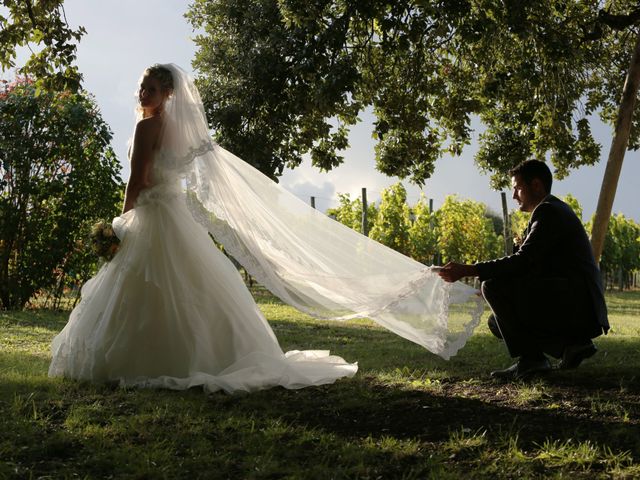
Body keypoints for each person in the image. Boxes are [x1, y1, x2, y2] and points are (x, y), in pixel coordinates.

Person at [49, 64, 483, 393]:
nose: (143, 92)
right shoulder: (176, 129)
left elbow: (138, 179)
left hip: (151, 213)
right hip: (172, 215)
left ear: (167, 95)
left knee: (153, 286)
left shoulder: (147, 125)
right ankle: (212, 355)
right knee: (186, 286)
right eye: (142, 85)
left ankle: (142, 362)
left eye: (152, 88)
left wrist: (121, 222)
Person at [438, 159, 609, 380]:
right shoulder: (550, 211)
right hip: (572, 300)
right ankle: (571, 345)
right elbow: (533, 266)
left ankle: (535, 359)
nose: (514, 195)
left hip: (579, 306)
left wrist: (467, 270)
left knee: (492, 286)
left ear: (536, 185)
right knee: (496, 321)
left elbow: (523, 260)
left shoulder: (549, 212)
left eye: (517, 188)